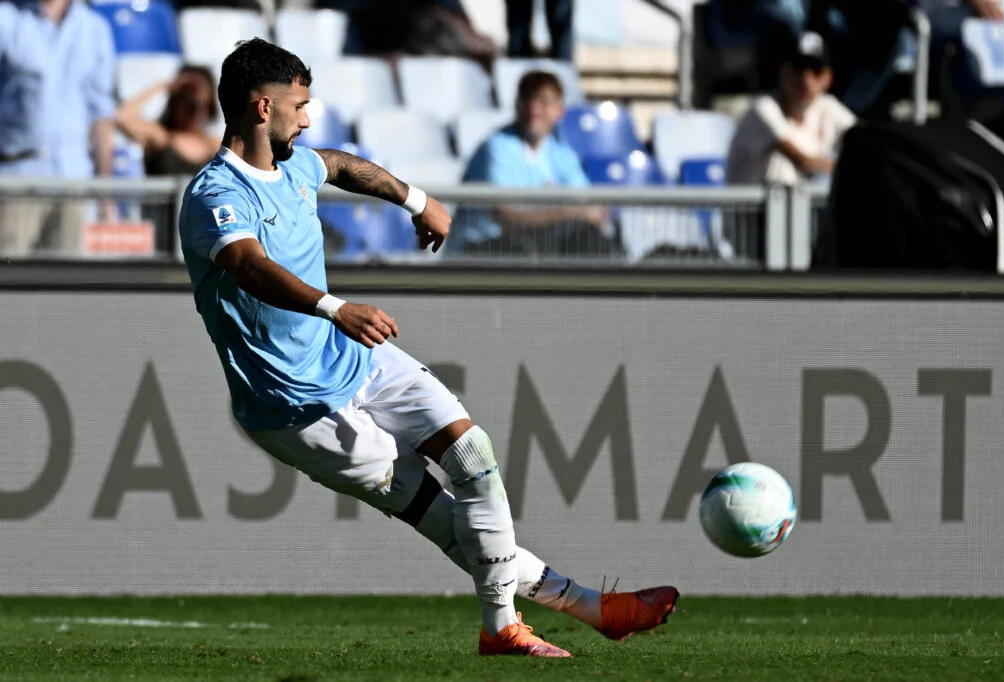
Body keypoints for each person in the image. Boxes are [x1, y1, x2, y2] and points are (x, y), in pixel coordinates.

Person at [178, 38, 677, 658]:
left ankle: (513, 626)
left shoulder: (295, 166)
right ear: (261, 109)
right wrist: (337, 308)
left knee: (472, 452)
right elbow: (248, 266)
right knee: (448, 521)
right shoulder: (215, 194)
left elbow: (339, 165)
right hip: (295, 406)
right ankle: (575, 612)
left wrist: (416, 200)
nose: (307, 119)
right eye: (299, 106)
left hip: (354, 356)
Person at [450, 70, 614, 257]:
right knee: (529, 250)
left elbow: (590, 208)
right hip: (478, 251)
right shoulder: (497, 148)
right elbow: (508, 219)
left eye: (544, 101)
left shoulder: (562, 154)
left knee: (591, 241)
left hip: (533, 244)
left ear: (559, 111)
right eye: (527, 99)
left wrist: (581, 213)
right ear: (517, 105)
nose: (534, 109)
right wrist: (569, 213)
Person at [0, 0, 116, 256]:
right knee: (9, 287)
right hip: (16, 180)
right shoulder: (6, 20)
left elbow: (101, 116)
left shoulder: (95, 28)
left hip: (75, 181)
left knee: (66, 289)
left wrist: (105, 193)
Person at [726, 31, 856, 186]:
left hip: (796, 206)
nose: (806, 81)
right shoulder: (763, 107)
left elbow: (864, 142)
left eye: (816, 71)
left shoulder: (828, 107)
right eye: (798, 68)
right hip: (749, 208)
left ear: (827, 78)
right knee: (785, 168)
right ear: (783, 72)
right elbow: (804, 163)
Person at [115, 65, 222, 177]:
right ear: (174, 104)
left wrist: (205, 92)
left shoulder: (214, 146)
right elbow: (122, 117)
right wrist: (164, 86)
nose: (193, 112)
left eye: (200, 106)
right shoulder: (161, 138)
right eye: (185, 104)